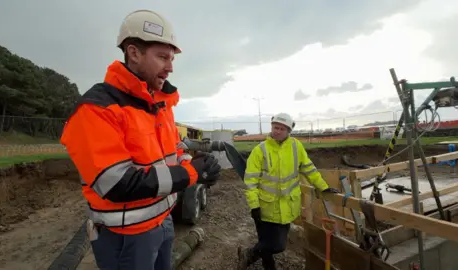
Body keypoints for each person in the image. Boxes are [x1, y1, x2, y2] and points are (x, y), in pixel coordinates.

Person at [60, 9, 221, 270]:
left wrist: (196, 162)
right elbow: (116, 184)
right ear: (133, 53)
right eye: (162, 57)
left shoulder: (160, 104)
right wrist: (191, 174)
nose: (170, 68)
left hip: (163, 221)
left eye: (172, 59)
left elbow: (174, 150)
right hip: (126, 237)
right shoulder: (97, 109)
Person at [237, 112, 339, 270]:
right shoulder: (260, 150)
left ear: (288, 131)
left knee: (277, 245)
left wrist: (323, 186)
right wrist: (254, 205)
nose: (277, 131)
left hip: (288, 207)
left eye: (281, 129)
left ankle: (248, 254)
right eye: (275, 127)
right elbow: (250, 181)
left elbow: (308, 168)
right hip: (265, 207)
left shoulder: (295, 146)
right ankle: (267, 265)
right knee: (268, 241)